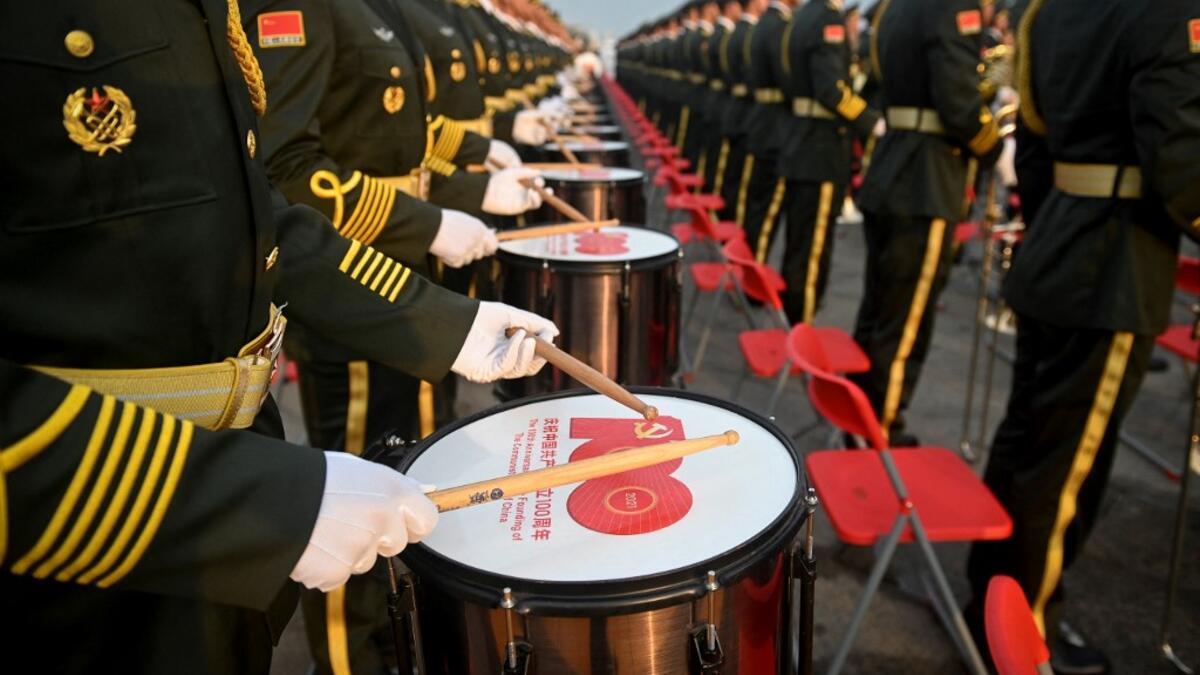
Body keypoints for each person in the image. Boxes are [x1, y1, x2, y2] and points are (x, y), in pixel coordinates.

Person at [0, 1, 555, 672]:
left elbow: (252, 214)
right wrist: (250, 499)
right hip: (87, 547)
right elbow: (296, 164)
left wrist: (443, 322)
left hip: (233, 495)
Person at [966, 1, 1200, 672]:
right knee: (1065, 469)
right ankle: (1026, 634)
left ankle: (988, 600)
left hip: (1057, 245)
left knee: (1025, 440)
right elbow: (1181, 163)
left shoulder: (1048, 11)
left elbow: (1035, 149)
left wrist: (1059, 223)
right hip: (1114, 266)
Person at [849, 0, 1002, 445]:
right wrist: (994, 148)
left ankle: (858, 413)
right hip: (926, 179)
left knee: (878, 307)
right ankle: (880, 427)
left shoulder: (894, 9)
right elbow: (958, 103)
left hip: (893, 166)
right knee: (904, 321)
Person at [776, 0, 880, 323]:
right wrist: (870, 120)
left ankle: (790, 316)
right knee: (813, 249)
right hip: (821, 148)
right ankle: (801, 322)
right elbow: (832, 90)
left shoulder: (801, 17)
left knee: (798, 241)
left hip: (801, 139)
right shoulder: (827, 19)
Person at [740, 0, 797, 263]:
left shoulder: (761, 25)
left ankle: (748, 262)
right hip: (777, 125)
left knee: (756, 203)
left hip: (760, 119)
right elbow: (788, 78)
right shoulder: (780, 26)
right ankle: (754, 268)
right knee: (768, 210)